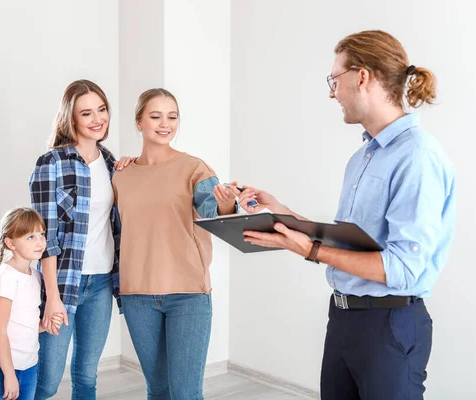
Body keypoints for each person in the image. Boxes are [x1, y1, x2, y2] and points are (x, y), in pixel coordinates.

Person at [236, 30, 456, 400]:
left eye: (334, 79)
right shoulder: (364, 156)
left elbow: (403, 269)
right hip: (343, 318)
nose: (331, 92)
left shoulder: (417, 156)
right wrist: (283, 212)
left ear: (362, 76)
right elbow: (352, 239)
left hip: (389, 325)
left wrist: (310, 250)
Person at [112, 88, 238, 400]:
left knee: (185, 393)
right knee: (158, 390)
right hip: (137, 295)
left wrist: (225, 204)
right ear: (139, 122)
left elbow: (214, 212)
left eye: (172, 116)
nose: (165, 123)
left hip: (188, 294)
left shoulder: (195, 169)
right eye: (155, 116)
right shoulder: (121, 175)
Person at [29, 79, 131, 399]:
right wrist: (53, 297)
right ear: (70, 118)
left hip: (101, 282)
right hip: (63, 283)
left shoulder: (112, 162)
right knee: (47, 380)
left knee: (87, 375)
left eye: (101, 109)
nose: (97, 118)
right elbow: (45, 237)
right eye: (86, 113)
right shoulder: (52, 163)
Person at [0, 207, 64, 400]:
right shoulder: (5, 279)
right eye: (30, 237)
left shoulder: (36, 276)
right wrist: (9, 375)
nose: (40, 242)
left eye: (41, 234)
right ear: (10, 243)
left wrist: (44, 326)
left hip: (28, 365)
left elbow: (24, 323)